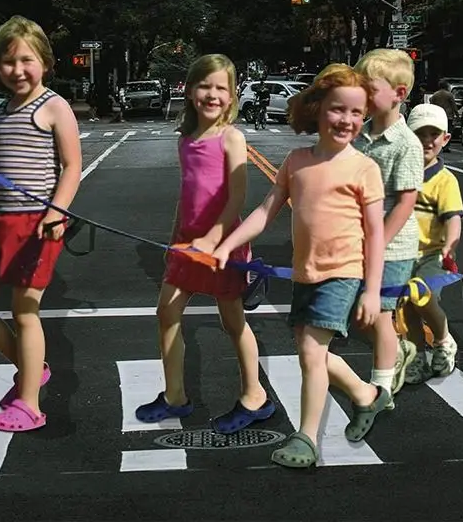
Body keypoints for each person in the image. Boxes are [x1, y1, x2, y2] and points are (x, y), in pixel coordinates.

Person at [214, 64, 392, 469]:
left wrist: (372, 289)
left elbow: (376, 235)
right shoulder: (296, 161)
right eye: (337, 109)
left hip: (343, 273)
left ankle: (306, 438)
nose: (346, 120)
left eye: (355, 112)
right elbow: (265, 211)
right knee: (310, 349)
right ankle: (366, 395)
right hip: (304, 273)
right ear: (317, 108)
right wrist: (229, 245)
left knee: (311, 352)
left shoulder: (364, 169)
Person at [135, 54, 273, 434]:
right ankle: (175, 396)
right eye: (204, 86)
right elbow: (188, 193)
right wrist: (174, 235)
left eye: (220, 88)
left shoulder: (232, 138)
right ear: (191, 90)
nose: (211, 94)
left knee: (233, 321)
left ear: (231, 97)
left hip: (223, 247)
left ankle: (254, 394)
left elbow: (236, 198)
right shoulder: (186, 139)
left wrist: (213, 239)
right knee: (166, 312)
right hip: (187, 246)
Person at [0, 16, 81, 432]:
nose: (18, 70)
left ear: (44, 62)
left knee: (25, 312)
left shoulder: (54, 106)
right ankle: (32, 367)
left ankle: (29, 403)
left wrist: (57, 211)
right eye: (8, 62)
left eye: (27, 60)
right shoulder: (2, 111)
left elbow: (71, 166)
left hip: (37, 226)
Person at [352, 49, 424, 396]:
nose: (362, 96)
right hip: (358, 240)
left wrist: (377, 241)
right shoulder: (359, 135)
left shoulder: (406, 143)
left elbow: (406, 201)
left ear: (399, 94)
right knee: (358, 314)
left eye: (370, 89)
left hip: (393, 246)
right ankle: (397, 350)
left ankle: (380, 386)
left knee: (379, 312)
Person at [402, 103, 463, 386]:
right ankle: (416, 356)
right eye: (420, 134)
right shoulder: (400, 174)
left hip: (432, 256)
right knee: (405, 309)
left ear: (445, 139)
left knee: (422, 298)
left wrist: (450, 244)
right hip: (401, 254)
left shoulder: (445, 180)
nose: (427, 140)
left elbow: (453, 218)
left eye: (433, 134)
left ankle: (442, 339)